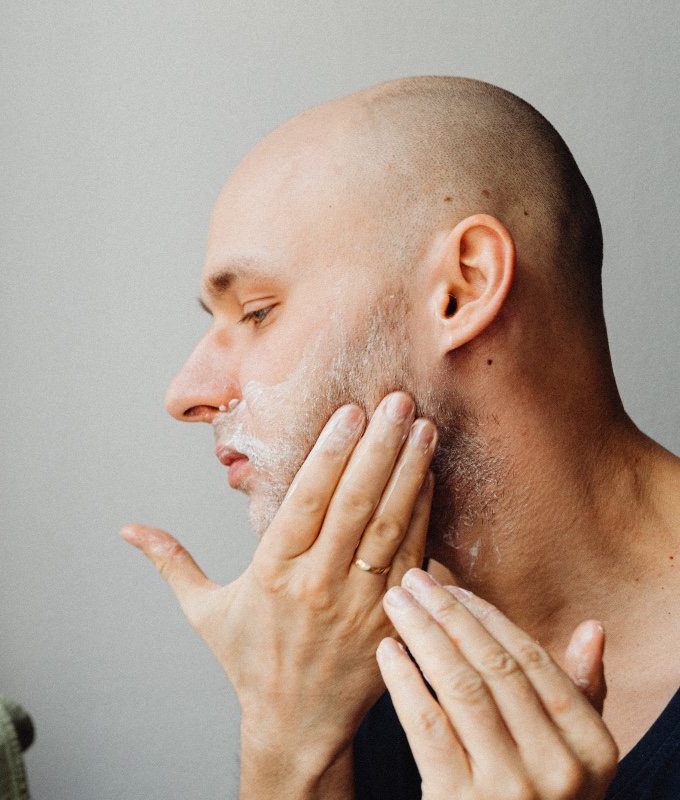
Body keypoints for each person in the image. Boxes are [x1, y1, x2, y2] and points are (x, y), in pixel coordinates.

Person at [121, 76, 680, 799]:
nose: (186, 395)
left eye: (257, 311)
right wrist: (287, 745)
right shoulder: (330, 648)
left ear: (462, 289)